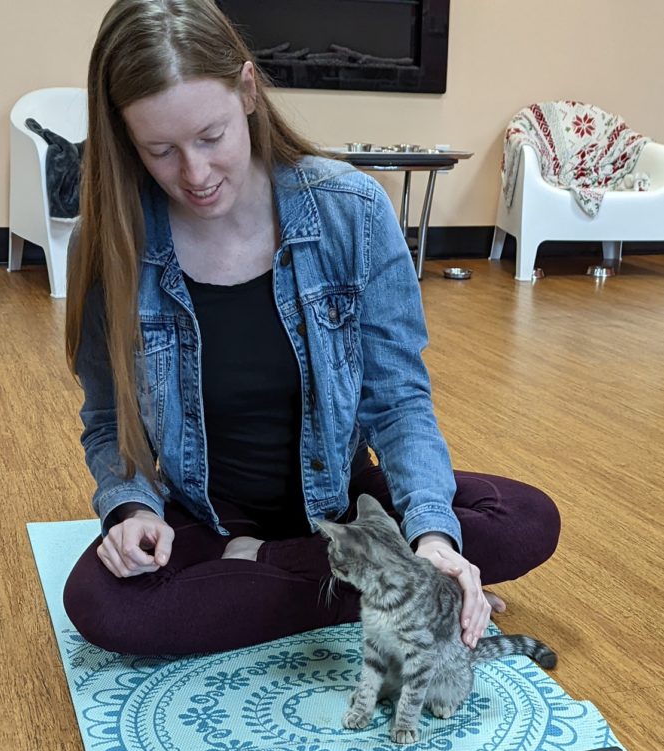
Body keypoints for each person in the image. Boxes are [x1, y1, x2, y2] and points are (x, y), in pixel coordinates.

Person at [63, 0, 560, 658]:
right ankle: (387, 585)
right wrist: (132, 511)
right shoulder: (110, 247)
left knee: (524, 518)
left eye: (210, 137)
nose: (195, 174)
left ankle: (271, 566)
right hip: (209, 516)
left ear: (246, 91)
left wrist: (433, 539)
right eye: (160, 151)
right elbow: (108, 420)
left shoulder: (350, 209)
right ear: (126, 140)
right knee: (102, 603)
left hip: (344, 500)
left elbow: (398, 398)